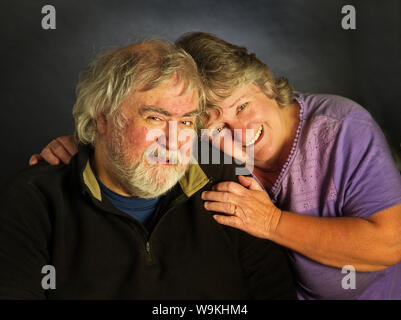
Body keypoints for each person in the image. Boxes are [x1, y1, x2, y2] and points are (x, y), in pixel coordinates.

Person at [33, 32, 401, 300]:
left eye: (241, 106)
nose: (238, 130)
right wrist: (87, 144)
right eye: (216, 124)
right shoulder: (211, 152)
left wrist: (272, 223)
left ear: (265, 84)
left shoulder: (340, 128)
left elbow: (390, 243)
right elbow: (148, 129)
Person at [0, 40, 296, 299]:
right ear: (103, 119)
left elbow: (275, 292)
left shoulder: (227, 186)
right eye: (155, 118)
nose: (174, 140)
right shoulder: (35, 201)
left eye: (185, 122)